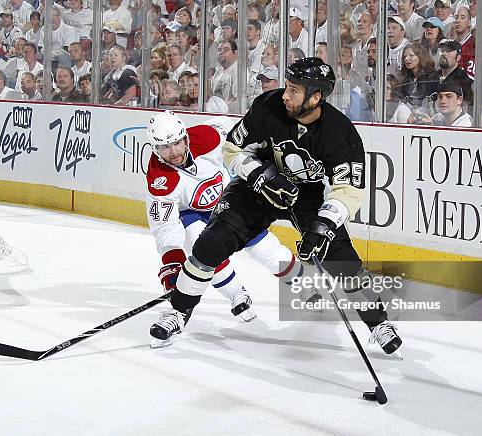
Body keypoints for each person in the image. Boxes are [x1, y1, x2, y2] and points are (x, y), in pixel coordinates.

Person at [149, 58, 403, 355]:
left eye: (294, 90)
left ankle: (378, 323)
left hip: (307, 195)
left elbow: (348, 190)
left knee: (342, 258)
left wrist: (324, 225)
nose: (285, 94)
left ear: (315, 97)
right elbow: (233, 149)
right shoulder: (268, 105)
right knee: (210, 243)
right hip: (257, 186)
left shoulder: (340, 133)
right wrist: (257, 174)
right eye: (287, 86)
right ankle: (178, 312)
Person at [145, 111, 306, 346]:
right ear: (155, 149)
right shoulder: (160, 179)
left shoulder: (208, 137)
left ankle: (305, 286)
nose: (174, 152)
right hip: (192, 212)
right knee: (200, 244)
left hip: (230, 201)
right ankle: (235, 294)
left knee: (266, 251)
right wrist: (172, 267)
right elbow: (165, 227)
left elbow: (233, 128)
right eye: (165, 147)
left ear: (185, 137)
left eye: (177, 142)